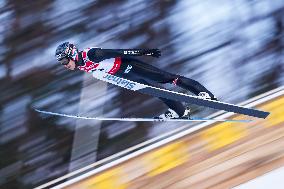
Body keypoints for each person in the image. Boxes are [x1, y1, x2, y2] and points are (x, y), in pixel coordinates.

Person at [55, 42, 217, 119]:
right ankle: (180, 112)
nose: (65, 66)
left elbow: (119, 51)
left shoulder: (91, 55)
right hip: (125, 75)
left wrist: (145, 52)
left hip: (130, 66)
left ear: (72, 54)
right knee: (156, 92)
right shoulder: (81, 66)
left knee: (168, 79)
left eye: (64, 61)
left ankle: (205, 95)